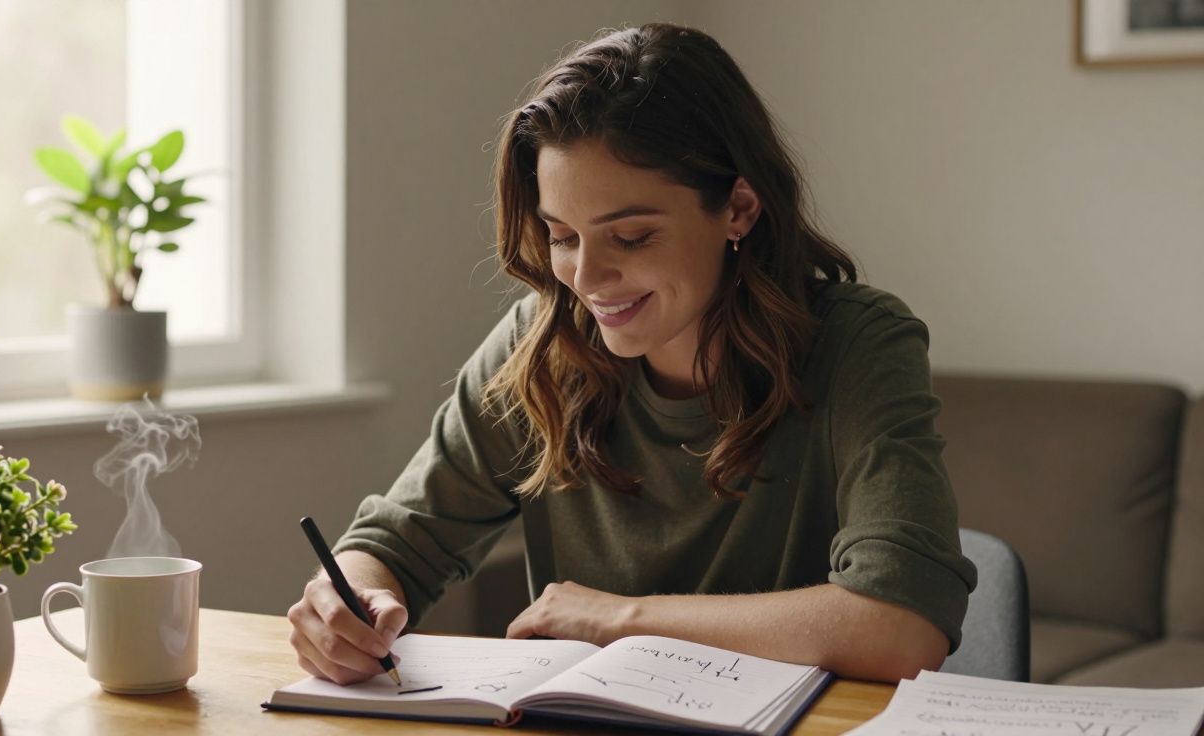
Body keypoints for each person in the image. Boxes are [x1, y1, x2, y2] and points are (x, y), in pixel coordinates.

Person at [287, 22, 976, 686]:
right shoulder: (545, 342)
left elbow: (903, 625)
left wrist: (621, 620)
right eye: (562, 236)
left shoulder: (859, 343)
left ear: (738, 208)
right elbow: (395, 543)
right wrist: (348, 601)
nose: (586, 280)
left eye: (632, 237)